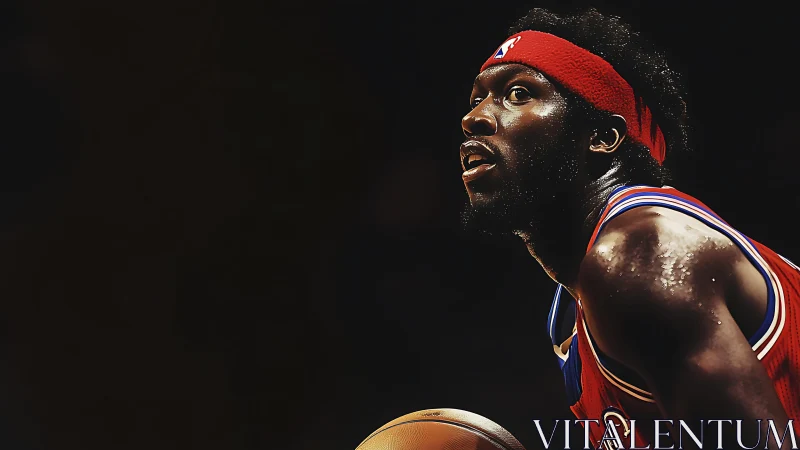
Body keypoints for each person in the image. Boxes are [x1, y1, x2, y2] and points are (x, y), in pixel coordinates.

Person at [460, 7, 799, 449]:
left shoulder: (639, 255)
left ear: (601, 137)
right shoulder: (572, 315)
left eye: (519, 93)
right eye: (476, 99)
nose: (475, 118)